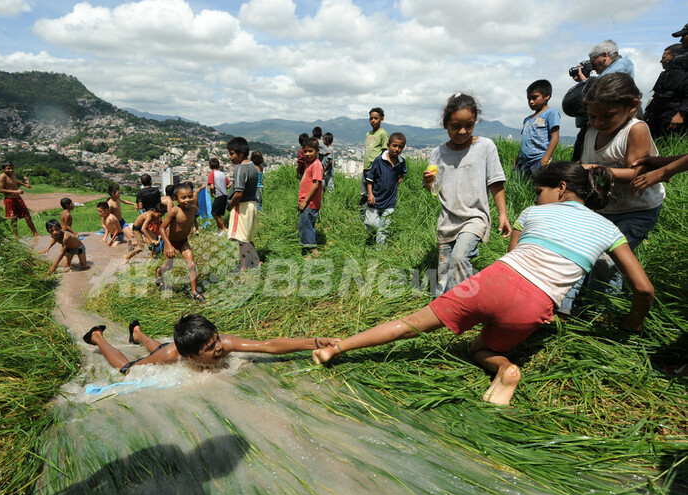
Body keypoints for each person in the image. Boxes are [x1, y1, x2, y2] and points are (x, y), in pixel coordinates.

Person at [314, 162, 654, 406]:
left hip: (492, 282)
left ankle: (336, 349)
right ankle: (505, 368)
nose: (537, 198)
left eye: (540, 191)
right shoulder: (609, 230)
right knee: (480, 350)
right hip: (536, 304)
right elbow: (643, 289)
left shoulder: (532, 214)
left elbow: (512, 257)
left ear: (561, 188)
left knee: (413, 323)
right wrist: (632, 325)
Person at [561, 73, 662, 313]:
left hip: (636, 210)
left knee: (608, 261)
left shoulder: (635, 129)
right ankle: (565, 310)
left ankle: (597, 313)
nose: (598, 122)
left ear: (632, 106)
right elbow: (584, 162)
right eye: (593, 116)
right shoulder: (591, 132)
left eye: (607, 116)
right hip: (603, 209)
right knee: (581, 253)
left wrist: (594, 169)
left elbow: (636, 173)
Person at [422, 93, 511, 297]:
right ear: (446, 124)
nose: (462, 131)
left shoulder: (485, 147)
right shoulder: (438, 153)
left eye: (469, 125)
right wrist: (428, 182)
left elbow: (496, 182)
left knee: (460, 258)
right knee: (444, 270)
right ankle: (441, 303)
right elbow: (434, 189)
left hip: (474, 218)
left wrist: (503, 214)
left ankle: (459, 306)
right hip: (447, 220)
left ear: (475, 121)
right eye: (456, 126)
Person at [82, 314, 339, 374]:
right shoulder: (173, 355)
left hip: (174, 347)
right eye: (210, 348)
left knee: (159, 347)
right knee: (128, 367)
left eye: (216, 339)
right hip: (168, 351)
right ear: (192, 357)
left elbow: (269, 345)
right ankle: (97, 337)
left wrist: (315, 342)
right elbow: (128, 371)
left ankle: (137, 333)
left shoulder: (223, 343)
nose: (218, 348)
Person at [567, 40, 635, 161]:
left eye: (593, 61)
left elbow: (602, 86)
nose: (592, 66)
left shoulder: (623, 63)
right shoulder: (608, 70)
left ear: (605, 55)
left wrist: (585, 81)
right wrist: (585, 81)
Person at [158, 182, 206, 301]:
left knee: (192, 265)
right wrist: (168, 245)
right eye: (183, 198)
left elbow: (191, 221)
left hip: (183, 242)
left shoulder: (193, 210)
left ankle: (194, 292)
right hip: (170, 242)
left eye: (190, 196)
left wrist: (194, 230)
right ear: (176, 199)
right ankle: (159, 272)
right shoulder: (174, 211)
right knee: (168, 266)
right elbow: (162, 228)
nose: (187, 200)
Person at [643, 28, 688, 140]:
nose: (681, 40)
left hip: (674, 113)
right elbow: (661, 90)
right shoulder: (678, 61)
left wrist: (681, 113)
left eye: (684, 36)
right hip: (660, 112)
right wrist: (649, 110)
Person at [365, 132, 407, 245]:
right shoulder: (379, 160)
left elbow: (403, 172)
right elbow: (370, 179)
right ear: (388, 145)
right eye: (394, 145)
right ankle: (372, 235)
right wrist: (370, 194)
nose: (397, 149)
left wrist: (399, 180)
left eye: (400, 147)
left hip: (390, 201)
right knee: (371, 223)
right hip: (375, 199)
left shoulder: (401, 162)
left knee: (384, 228)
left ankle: (380, 250)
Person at [513, 79, 560, 180]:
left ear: (547, 96)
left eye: (534, 98)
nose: (531, 102)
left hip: (538, 159)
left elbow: (555, 138)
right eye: (529, 99)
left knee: (538, 186)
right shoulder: (527, 120)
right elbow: (524, 142)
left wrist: (545, 159)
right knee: (521, 186)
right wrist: (516, 160)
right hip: (523, 163)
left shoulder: (551, 113)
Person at [226, 137, 261, 271]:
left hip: (242, 206)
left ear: (241, 154)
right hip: (252, 204)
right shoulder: (253, 166)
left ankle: (243, 267)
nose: (230, 157)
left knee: (242, 239)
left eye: (232, 154)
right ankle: (256, 263)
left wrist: (230, 205)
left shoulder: (240, 168)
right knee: (248, 238)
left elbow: (239, 193)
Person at [298, 137, 324, 256]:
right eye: (305, 151)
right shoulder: (310, 164)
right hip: (307, 202)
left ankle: (312, 250)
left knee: (306, 226)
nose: (307, 154)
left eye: (310, 151)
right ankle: (308, 248)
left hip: (310, 203)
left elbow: (316, 184)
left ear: (317, 151)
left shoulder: (316, 165)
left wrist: (305, 201)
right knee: (304, 225)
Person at [0, 162, 38, 238]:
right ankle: (16, 236)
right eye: (8, 169)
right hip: (9, 199)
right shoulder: (2, 176)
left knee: (27, 215)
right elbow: (0, 190)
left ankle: (35, 233)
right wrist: (15, 191)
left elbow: (15, 181)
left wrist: (24, 185)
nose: (10, 170)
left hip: (18, 198)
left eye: (12, 168)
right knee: (14, 218)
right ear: (3, 169)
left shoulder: (13, 174)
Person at [361, 108, 388, 216]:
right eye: (371, 118)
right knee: (364, 193)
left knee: (373, 192)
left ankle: (374, 215)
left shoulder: (383, 134)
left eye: (376, 118)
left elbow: (384, 152)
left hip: (375, 168)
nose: (373, 120)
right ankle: (363, 215)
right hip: (366, 167)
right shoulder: (368, 133)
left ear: (381, 119)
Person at [207, 158, 230, 233]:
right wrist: (224, 188)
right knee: (218, 214)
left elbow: (212, 187)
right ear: (219, 166)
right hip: (225, 195)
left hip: (219, 195)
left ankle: (224, 229)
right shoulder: (223, 174)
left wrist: (211, 193)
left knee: (214, 213)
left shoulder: (212, 174)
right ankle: (219, 231)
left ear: (209, 166)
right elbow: (229, 184)